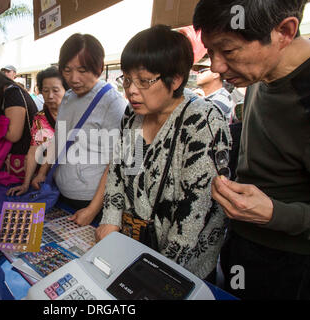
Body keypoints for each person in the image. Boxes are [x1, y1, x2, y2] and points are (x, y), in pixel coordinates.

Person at [193, 0, 310, 299]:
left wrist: (276, 214)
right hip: (241, 243)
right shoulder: (260, 73)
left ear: (283, 32)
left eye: (228, 51)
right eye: (210, 52)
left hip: (288, 262)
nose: (217, 66)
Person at [95, 25, 232, 281]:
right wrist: (111, 220)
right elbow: (122, 171)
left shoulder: (202, 121)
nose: (131, 90)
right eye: (126, 79)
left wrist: (157, 274)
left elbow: (193, 215)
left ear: (176, 79)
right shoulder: (134, 115)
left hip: (184, 268)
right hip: (134, 248)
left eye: (144, 81)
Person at [32, 33, 127, 226]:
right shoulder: (68, 97)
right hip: (61, 195)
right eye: (67, 70)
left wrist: (92, 210)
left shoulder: (112, 102)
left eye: (82, 70)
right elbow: (59, 140)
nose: (73, 78)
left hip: (90, 204)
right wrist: (43, 172)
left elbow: (116, 164)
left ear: (99, 68)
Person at [7, 67, 68, 197]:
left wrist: (41, 173)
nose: (50, 96)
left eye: (56, 90)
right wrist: (26, 184)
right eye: (45, 91)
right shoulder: (40, 118)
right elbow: (34, 150)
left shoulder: (74, 114)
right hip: (52, 177)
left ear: (66, 90)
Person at [193, 57, 236, 121]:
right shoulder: (200, 94)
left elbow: (202, 120)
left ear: (216, 74)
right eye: (198, 71)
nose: (198, 74)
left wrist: (197, 100)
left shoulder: (222, 98)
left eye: (202, 70)